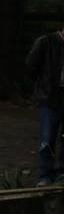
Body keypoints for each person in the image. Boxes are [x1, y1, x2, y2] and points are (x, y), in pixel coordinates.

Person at [27, 27, 64, 186]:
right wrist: (44, 86)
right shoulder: (45, 42)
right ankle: (45, 175)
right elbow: (31, 65)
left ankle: (61, 173)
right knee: (47, 138)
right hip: (50, 97)